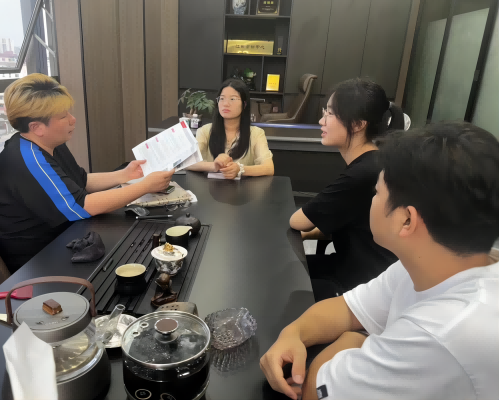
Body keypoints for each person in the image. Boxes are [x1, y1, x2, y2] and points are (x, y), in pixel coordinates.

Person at [260, 122, 499, 400]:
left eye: (377, 193)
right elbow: (348, 309)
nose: (372, 201)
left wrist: (357, 337)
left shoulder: (442, 334)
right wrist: (294, 333)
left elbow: (315, 391)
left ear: (407, 220)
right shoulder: (428, 263)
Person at [0, 74, 174, 273]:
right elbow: (83, 205)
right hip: (35, 261)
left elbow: (81, 181)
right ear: (37, 127)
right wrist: (145, 186)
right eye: (63, 116)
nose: (72, 119)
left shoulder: (50, 143)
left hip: (66, 237)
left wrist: (125, 175)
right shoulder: (28, 160)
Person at [290, 78, 402, 298]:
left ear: (358, 124)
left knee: (284, 279)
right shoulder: (374, 161)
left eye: (330, 113)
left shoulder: (362, 174)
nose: (321, 121)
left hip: (360, 286)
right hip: (358, 265)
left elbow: (298, 221)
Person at [187, 79, 274, 179]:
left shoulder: (256, 133)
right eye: (222, 98)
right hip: (210, 188)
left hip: (243, 188)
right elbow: (189, 162)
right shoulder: (205, 131)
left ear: (244, 104)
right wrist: (214, 166)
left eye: (232, 99)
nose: (225, 104)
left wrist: (240, 169)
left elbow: (269, 168)